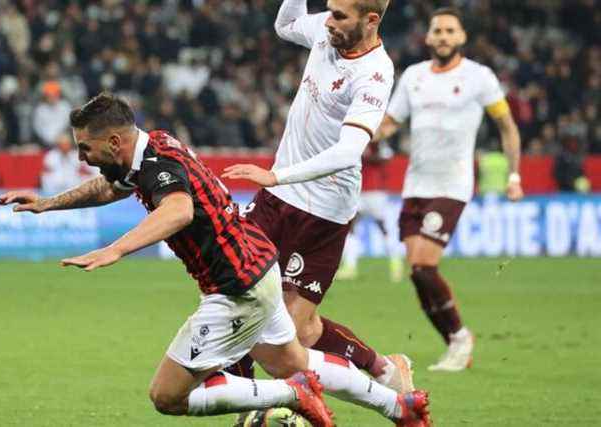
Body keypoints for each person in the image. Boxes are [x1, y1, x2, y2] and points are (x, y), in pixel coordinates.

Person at [0, 93, 430, 427]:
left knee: (168, 396)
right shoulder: (154, 146)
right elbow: (111, 187)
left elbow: (178, 210)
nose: (81, 158)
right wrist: (48, 203)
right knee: (295, 359)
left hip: (235, 289)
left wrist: (117, 248)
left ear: (114, 141)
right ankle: (401, 406)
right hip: (259, 266)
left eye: (85, 148)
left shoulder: (157, 166)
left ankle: (292, 396)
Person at [222, 0, 414, 392]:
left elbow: (347, 152)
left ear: (371, 20)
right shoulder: (328, 34)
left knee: (297, 333)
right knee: (234, 294)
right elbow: (286, 24)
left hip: (324, 210)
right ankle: (250, 406)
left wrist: (276, 175)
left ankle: (382, 368)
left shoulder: (375, 73)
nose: (327, 21)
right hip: (277, 201)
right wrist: (278, 182)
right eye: (328, 10)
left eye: (339, 15)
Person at [371, 7, 524, 371]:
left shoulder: (479, 77)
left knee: (425, 265)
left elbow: (507, 126)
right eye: (436, 30)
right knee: (416, 272)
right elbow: (391, 122)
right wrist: (360, 136)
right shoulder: (413, 76)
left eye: (449, 31)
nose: (442, 36)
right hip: (415, 184)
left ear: (461, 38)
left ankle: (459, 338)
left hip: (451, 184)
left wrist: (514, 176)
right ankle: (455, 342)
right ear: (427, 37)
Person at [335, 140, 403, 282]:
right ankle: (350, 267)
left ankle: (396, 264)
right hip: (358, 192)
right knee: (351, 228)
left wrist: (368, 155)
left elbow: (387, 159)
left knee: (383, 228)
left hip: (375, 193)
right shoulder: (357, 139)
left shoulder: (378, 144)